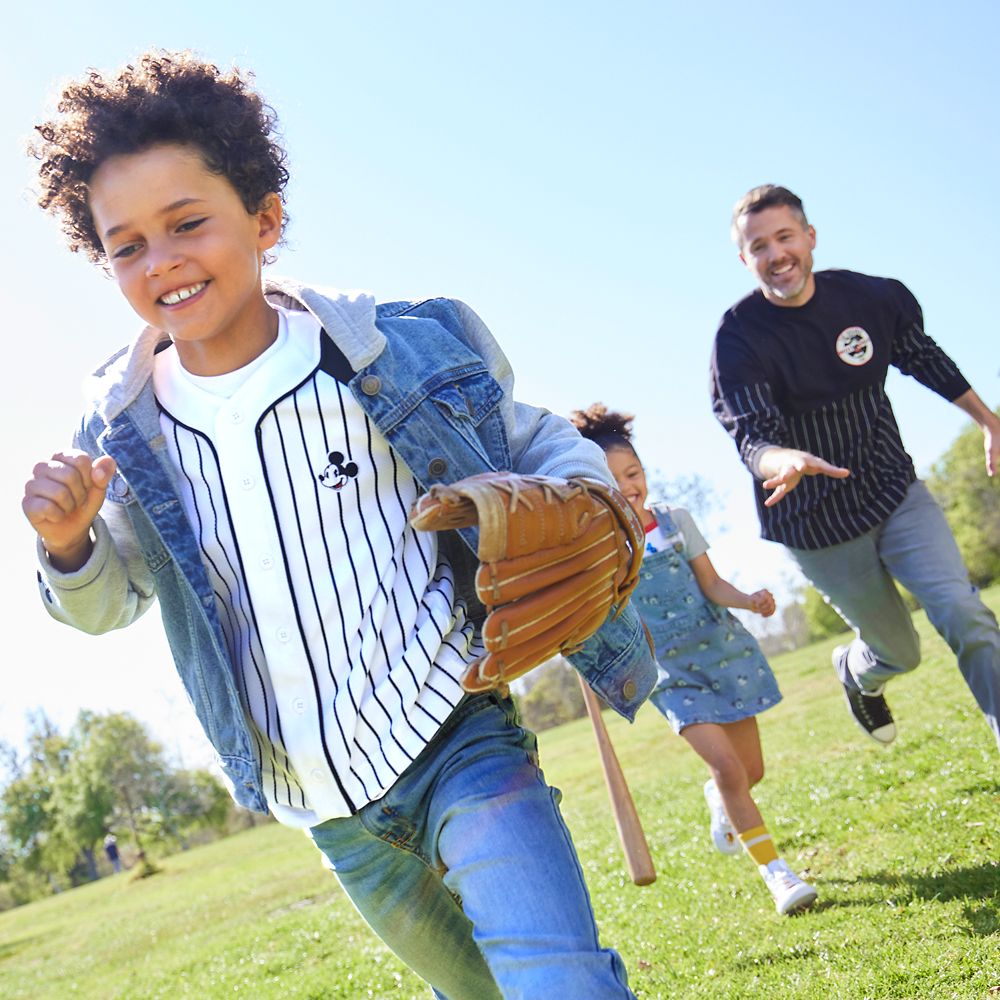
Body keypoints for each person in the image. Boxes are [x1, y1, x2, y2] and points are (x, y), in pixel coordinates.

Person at [21, 51, 657, 999]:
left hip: (455, 730)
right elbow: (110, 601)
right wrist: (69, 543)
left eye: (188, 222)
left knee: (556, 979)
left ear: (265, 218)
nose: (162, 261)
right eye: (127, 245)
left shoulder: (377, 355)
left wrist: (592, 501)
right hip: (321, 802)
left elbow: (537, 441)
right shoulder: (124, 430)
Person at [712, 184, 1000, 749]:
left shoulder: (869, 300)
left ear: (810, 237)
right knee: (900, 651)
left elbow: (923, 357)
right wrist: (784, 458)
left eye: (785, 237)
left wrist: (987, 420)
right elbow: (749, 432)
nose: (776, 254)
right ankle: (858, 672)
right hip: (817, 526)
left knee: (962, 611)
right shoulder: (739, 338)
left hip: (892, 490)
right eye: (760, 246)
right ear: (744, 259)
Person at [572, 404, 818, 917]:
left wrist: (749, 600)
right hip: (668, 674)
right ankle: (777, 873)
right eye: (614, 479)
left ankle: (720, 796)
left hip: (721, 651)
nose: (629, 486)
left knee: (749, 770)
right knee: (729, 766)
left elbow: (711, 583)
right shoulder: (601, 545)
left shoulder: (676, 522)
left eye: (634, 473)